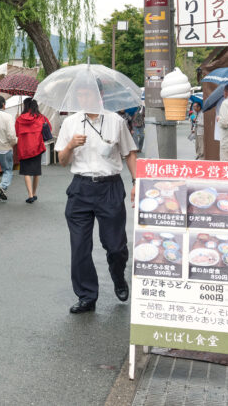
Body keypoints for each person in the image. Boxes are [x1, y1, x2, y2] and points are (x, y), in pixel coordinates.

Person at [55, 86, 138, 314]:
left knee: (115, 246)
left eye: (88, 94)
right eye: (80, 94)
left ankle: (118, 277)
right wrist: (71, 145)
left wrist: (137, 182)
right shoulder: (70, 123)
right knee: (80, 247)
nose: (83, 98)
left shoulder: (115, 121)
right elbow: (62, 160)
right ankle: (86, 296)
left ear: (99, 96)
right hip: (80, 187)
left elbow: (130, 153)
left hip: (109, 187)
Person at [14, 98, 49, 204]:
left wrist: (17, 118)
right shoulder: (41, 117)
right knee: (36, 171)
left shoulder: (20, 119)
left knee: (27, 172)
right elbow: (49, 129)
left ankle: (29, 195)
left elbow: (16, 133)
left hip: (24, 148)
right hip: (37, 148)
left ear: (25, 106)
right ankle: (34, 193)